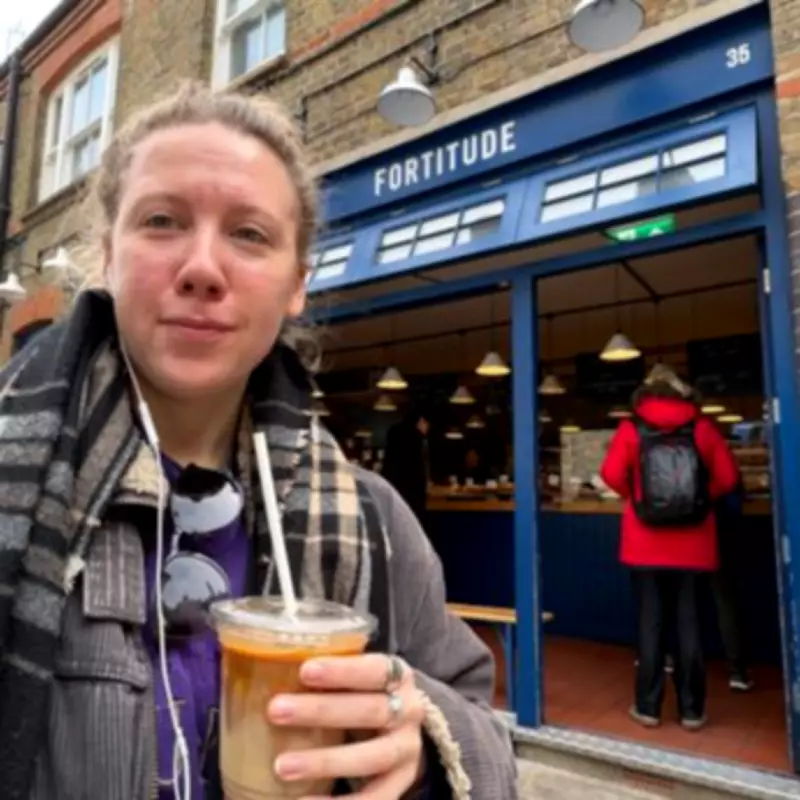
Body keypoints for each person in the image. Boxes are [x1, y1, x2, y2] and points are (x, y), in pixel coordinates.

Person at [0, 83, 516, 800]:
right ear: (107, 258)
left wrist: (424, 748)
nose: (203, 269)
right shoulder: (13, 488)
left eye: (249, 234)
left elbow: (491, 743)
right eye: (161, 220)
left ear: (296, 285)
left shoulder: (374, 520)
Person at [600, 365, 739, 732]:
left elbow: (610, 474)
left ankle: (648, 707)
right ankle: (692, 711)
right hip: (694, 546)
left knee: (651, 623)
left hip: (644, 544)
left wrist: (640, 499)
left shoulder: (631, 428)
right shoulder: (703, 428)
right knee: (689, 624)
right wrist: (697, 501)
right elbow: (727, 478)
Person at [382, 406, 432, 528]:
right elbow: (419, 469)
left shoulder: (393, 431)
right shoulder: (417, 438)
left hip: (392, 491)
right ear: (421, 421)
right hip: (412, 495)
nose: (427, 428)